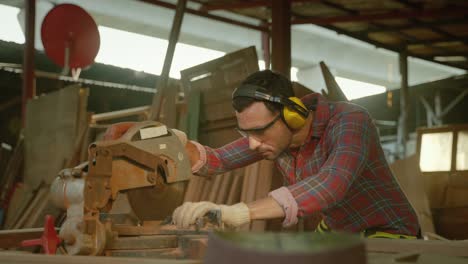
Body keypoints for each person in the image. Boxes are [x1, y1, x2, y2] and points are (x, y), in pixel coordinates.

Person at [106, 70, 420, 238]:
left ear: (294, 114)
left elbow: (331, 185)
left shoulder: (351, 121)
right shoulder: (275, 137)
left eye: (260, 132)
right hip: (340, 231)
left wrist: (238, 212)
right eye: (246, 133)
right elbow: (217, 160)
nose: (253, 144)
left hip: (386, 232)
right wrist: (160, 139)